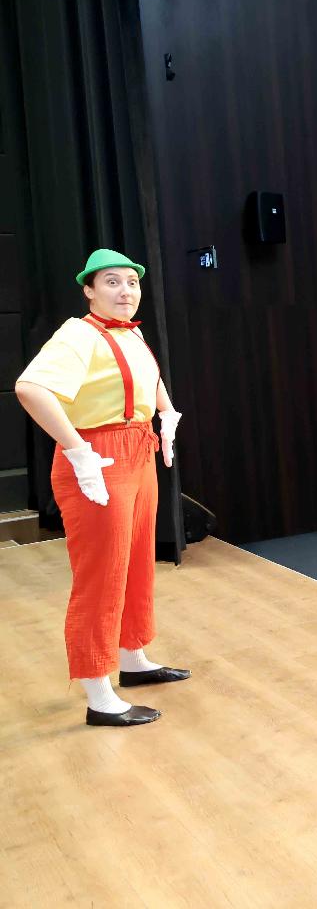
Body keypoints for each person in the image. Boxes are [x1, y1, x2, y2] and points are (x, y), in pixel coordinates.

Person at [14, 249, 185, 727]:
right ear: (89, 290)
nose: (125, 291)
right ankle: (98, 692)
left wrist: (165, 412)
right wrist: (77, 450)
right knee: (101, 575)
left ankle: (133, 657)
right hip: (99, 457)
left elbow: (148, 377)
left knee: (136, 561)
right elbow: (31, 388)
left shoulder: (133, 333)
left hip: (139, 451)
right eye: (112, 282)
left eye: (132, 282)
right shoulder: (78, 334)